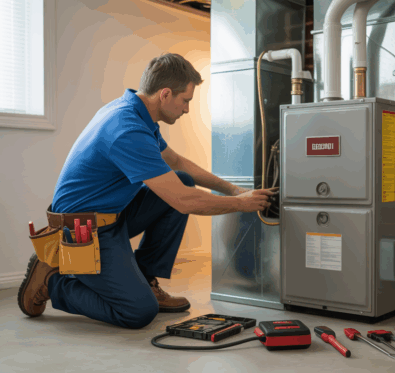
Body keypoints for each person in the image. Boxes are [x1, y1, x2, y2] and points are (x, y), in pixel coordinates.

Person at [18, 53, 277, 329]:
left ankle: (144, 276)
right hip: (82, 231)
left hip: (111, 215)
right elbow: (185, 202)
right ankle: (51, 280)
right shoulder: (126, 129)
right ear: (165, 94)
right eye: (186, 100)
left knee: (182, 180)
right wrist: (240, 204)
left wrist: (234, 189)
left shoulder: (138, 114)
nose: (187, 109)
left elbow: (177, 163)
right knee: (138, 311)